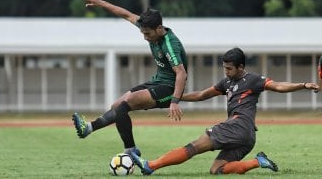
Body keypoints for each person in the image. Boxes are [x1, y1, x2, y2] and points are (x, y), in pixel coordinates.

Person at [131, 47, 320, 175]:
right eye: (224, 68)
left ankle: (150, 166)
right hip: (246, 137)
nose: (226, 72)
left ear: (241, 67)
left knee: (194, 146)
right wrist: (174, 97)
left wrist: (303, 85)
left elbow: (278, 86)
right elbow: (201, 95)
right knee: (217, 170)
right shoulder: (226, 82)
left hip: (238, 125)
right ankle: (258, 162)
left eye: (229, 69)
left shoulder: (253, 80)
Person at [72, 0, 188, 156]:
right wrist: (101, 3)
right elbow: (126, 15)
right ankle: (89, 128)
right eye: (143, 33)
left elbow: (181, 73)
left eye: (148, 34)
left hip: (169, 89)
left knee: (125, 103)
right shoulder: (149, 25)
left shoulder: (170, 45)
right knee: (116, 106)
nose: (145, 37)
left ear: (160, 29)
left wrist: (174, 102)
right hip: (157, 82)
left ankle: (130, 150)